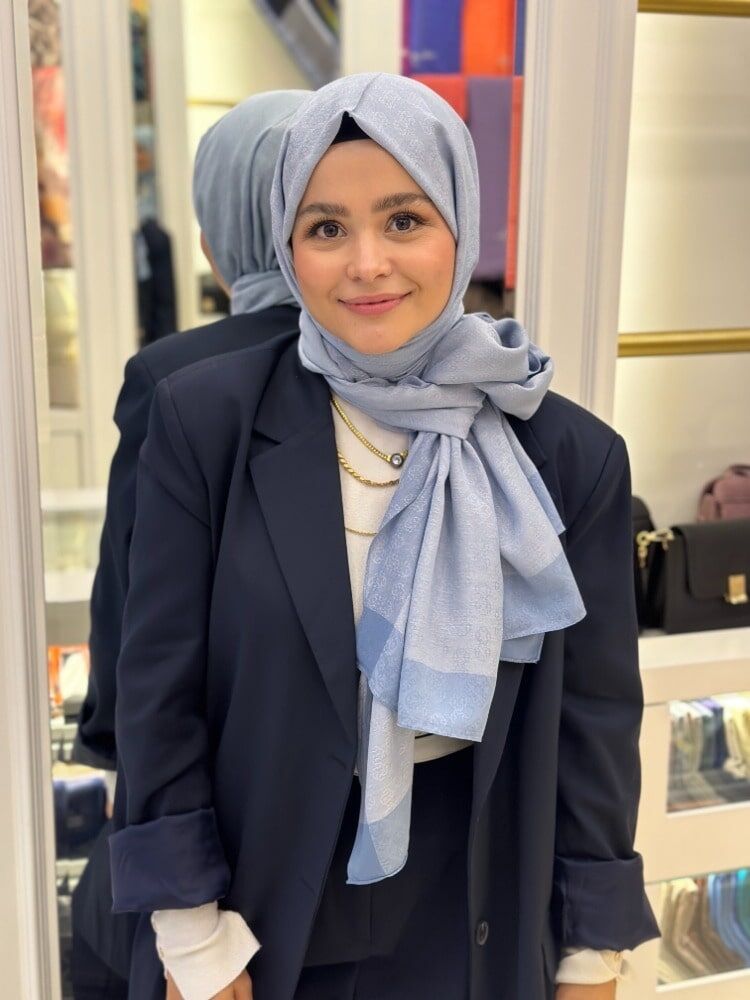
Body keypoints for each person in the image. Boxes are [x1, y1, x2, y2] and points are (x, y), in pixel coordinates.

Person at [108, 74, 660, 1000]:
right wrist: (192, 934)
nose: (367, 263)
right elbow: (157, 694)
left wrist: (591, 951)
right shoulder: (206, 423)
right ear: (288, 245)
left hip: (477, 896)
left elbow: (593, 723)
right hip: (257, 899)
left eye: (404, 220)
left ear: (460, 224)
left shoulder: (566, 455)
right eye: (326, 228)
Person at [69, 89, 309, 999]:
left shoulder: (178, 379)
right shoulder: (420, 374)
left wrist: (107, 735)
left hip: (209, 823)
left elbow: (135, 611)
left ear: (214, 241)